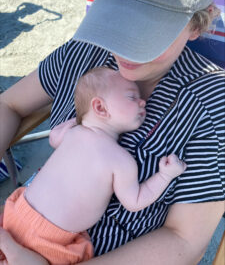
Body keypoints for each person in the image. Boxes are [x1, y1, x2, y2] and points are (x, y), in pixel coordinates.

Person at [0, 0, 224, 264]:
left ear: (198, 24)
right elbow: (10, 105)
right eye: (116, 20)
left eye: (150, 30)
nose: (125, 46)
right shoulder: (85, 52)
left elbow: (183, 239)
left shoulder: (212, 102)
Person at [1, 67, 186, 265]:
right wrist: (165, 175)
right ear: (100, 108)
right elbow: (136, 201)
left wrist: (81, 118)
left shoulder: (73, 132)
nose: (143, 101)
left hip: (15, 213)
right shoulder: (120, 161)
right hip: (50, 244)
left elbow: (54, 137)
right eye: (132, 97)